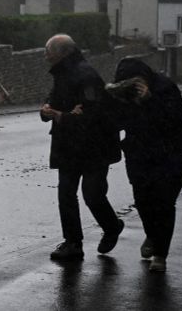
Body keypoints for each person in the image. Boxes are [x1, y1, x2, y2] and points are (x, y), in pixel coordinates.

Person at [106, 57, 182, 272]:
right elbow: (117, 122)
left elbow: (174, 118)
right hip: (140, 156)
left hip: (173, 156)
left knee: (164, 205)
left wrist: (149, 100)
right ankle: (154, 236)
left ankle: (160, 255)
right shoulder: (124, 95)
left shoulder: (165, 87)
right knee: (143, 202)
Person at [39, 34, 123, 260]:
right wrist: (47, 110)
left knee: (92, 194)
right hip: (69, 145)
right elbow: (55, 100)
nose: (45, 55)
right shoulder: (61, 73)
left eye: (49, 50)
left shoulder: (86, 75)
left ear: (64, 52)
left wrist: (61, 116)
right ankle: (73, 243)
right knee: (66, 193)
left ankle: (112, 226)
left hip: (96, 146)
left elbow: (93, 114)